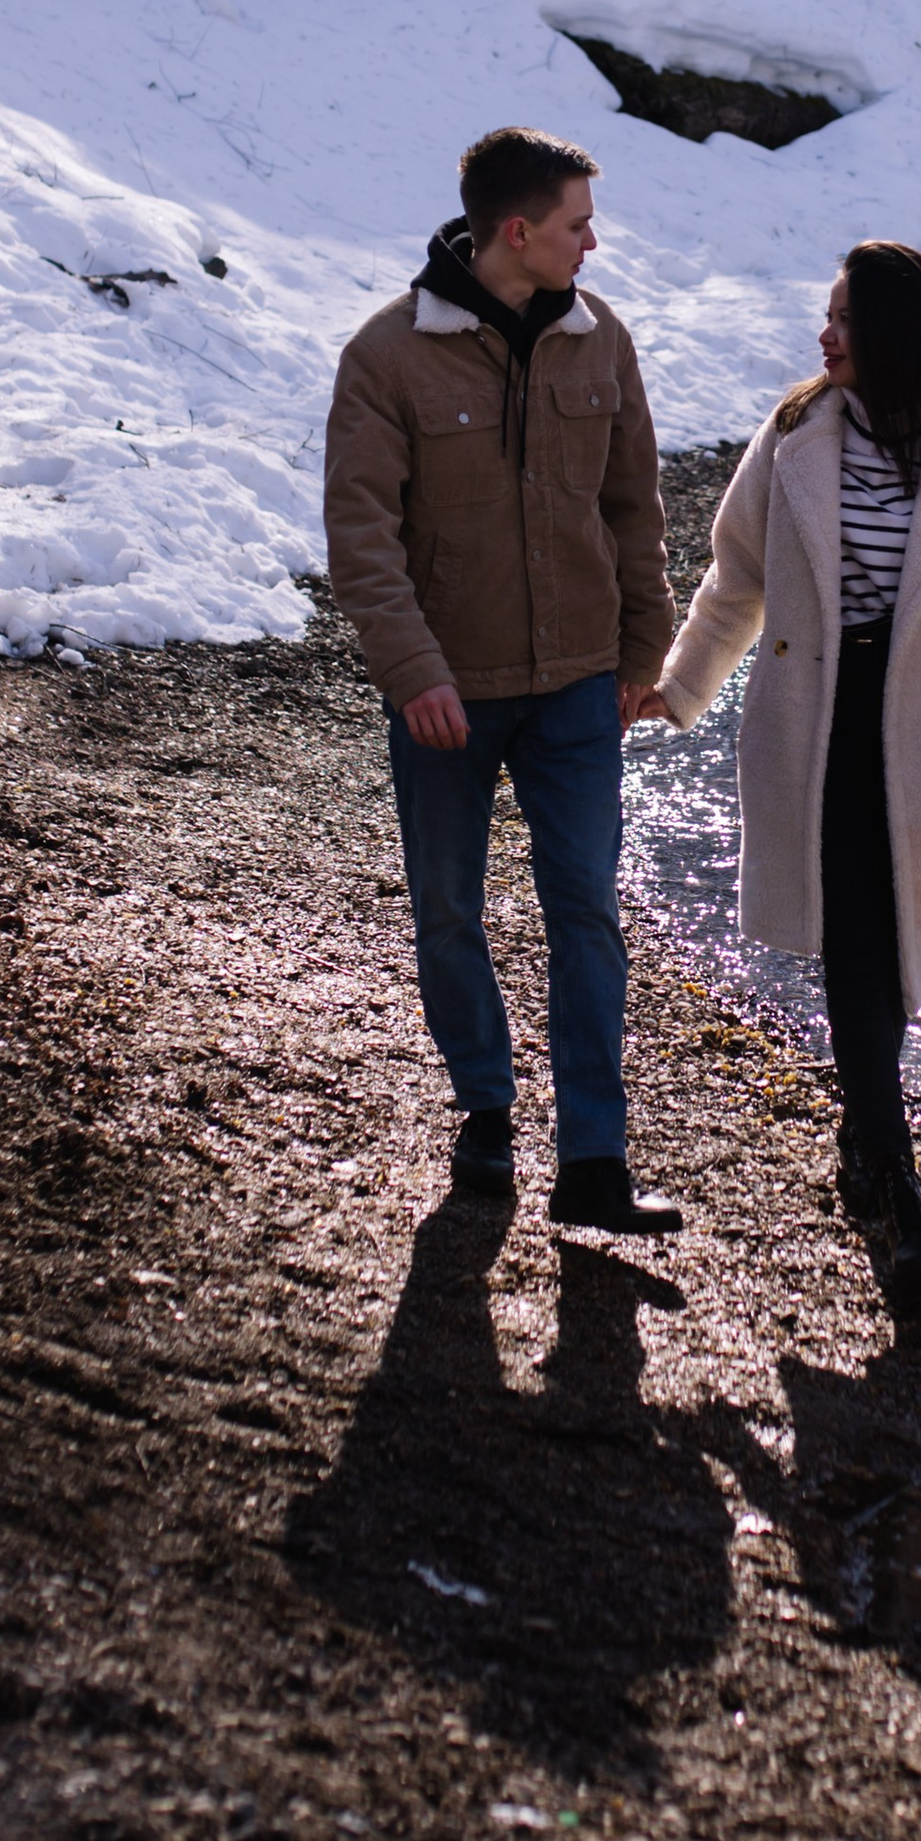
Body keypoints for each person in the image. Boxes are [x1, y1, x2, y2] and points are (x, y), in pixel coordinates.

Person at [652, 240, 921, 1304]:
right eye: (826, 316)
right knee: (856, 941)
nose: (824, 334)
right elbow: (733, 581)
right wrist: (681, 684)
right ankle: (890, 1178)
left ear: (897, 334)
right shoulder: (795, 436)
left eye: (844, 319)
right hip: (812, 722)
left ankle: (867, 1152)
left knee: (885, 943)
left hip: (918, 737)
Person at [324, 126, 682, 1235]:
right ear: (517, 232)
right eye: (578, 223)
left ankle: (594, 1161)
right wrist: (414, 671)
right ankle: (485, 1108)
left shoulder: (598, 337)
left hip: (578, 684)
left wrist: (642, 657)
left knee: (585, 908)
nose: (593, 242)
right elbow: (361, 537)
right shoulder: (386, 357)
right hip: (447, 694)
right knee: (448, 910)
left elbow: (634, 509)